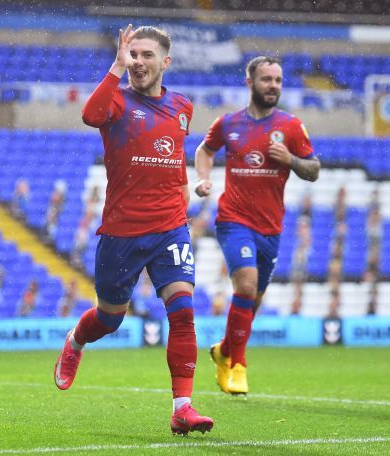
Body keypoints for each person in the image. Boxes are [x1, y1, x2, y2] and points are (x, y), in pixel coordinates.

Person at [52, 24, 213, 435]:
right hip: (122, 231)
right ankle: (76, 341)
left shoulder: (182, 107)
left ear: (165, 62)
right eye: (133, 55)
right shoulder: (117, 102)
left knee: (182, 311)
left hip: (170, 229)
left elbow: (175, 158)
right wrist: (115, 67)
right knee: (110, 319)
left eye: (145, 55)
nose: (138, 62)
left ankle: (182, 408)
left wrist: (184, 201)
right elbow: (89, 116)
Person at [194, 56, 320, 396]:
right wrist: (203, 180)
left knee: (253, 300)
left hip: (271, 228)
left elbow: (314, 169)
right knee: (246, 286)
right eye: (267, 79)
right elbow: (204, 151)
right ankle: (238, 365)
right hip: (234, 220)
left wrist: (291, 161)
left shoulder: (291, 127)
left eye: (278, 80)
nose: (273, 86)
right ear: (250, 82)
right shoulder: (228, 123)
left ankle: (223, 351)